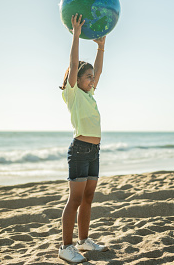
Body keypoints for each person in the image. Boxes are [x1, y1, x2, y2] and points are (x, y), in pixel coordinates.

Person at [58, 13, 109, 263]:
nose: (92, 80)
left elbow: (98, 70)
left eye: (91, 78)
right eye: (87, 77)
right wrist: (77, 35)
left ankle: (83, 240)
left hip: (94, 152)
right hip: (79, 150)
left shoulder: (89, 95)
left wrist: (101, 46)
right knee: (75, 199)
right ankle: (66, 247)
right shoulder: (74, 94)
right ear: (76, 80)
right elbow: (74, 59)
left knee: (88, 198)